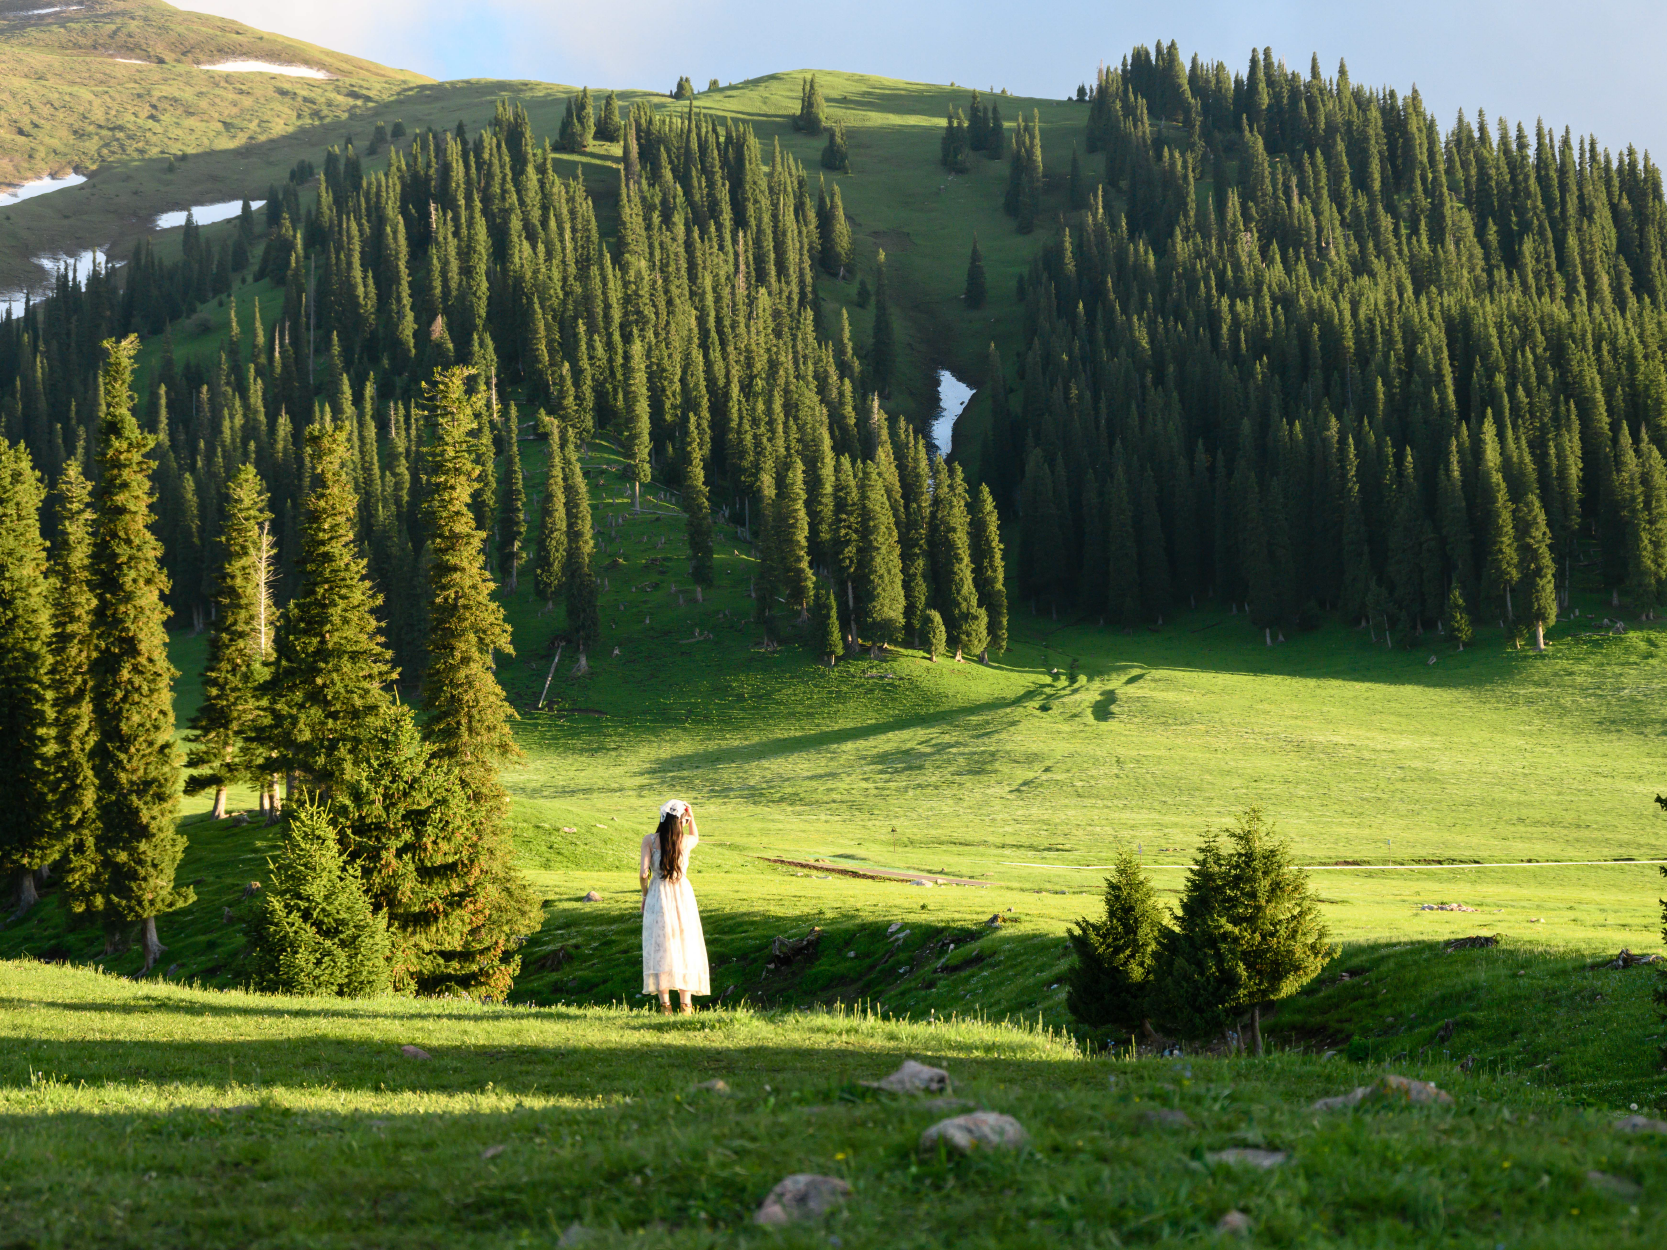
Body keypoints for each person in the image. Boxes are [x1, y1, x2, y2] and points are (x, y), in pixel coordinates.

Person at [640, 799, 710, 1014]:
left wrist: (644, 896)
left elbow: (643, 874)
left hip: (658, 895)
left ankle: (665, 1006)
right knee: (684, 947)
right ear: (681, 818)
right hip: (683, 896)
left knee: (660, 946)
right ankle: (686, 1005)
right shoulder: (686, 841)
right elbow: (696, 836)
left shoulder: (650, 840)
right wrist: (692, 819)